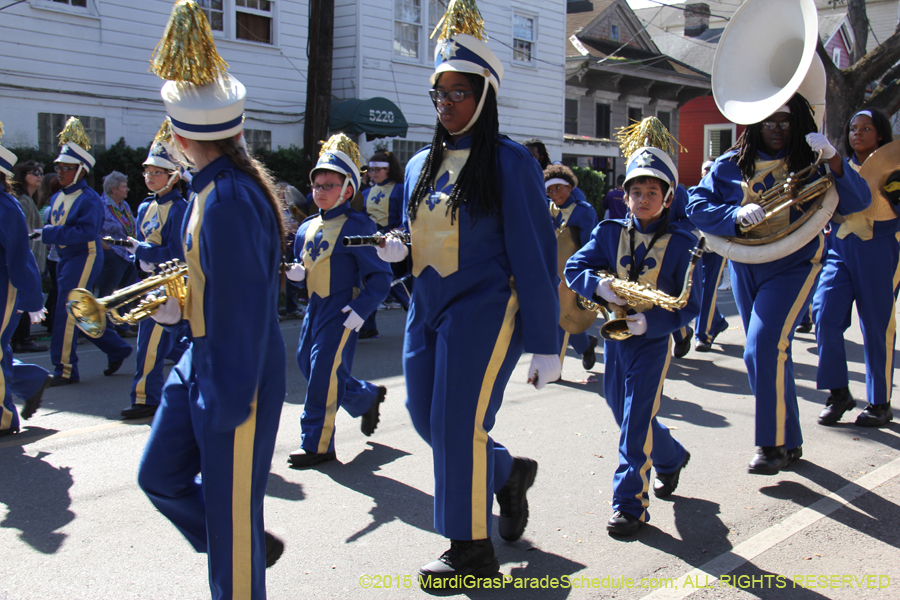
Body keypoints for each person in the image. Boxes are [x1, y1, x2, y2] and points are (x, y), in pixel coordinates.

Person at [376, 1, 560, 585]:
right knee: (426, 419)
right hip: (426, 311)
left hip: (486, 312)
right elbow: (423, 237)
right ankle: (505, 473)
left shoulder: (509, 163)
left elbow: (534, 255)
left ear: (484, 93)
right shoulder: (418, 166)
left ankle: (469, 547)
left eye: (458, 92)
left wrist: (546, 342)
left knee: (457, 426)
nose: (446, 104)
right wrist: (400, 254)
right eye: (439, 94)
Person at [136, 3, 286, 597]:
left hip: (233, 375)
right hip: (201, 359)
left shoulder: (223, 201)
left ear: (177, 137)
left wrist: (227, 403)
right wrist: (180, 309)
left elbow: (246, 315)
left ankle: (239, 543)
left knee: (229, 521)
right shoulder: (209, 191)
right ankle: (242, 537)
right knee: (159, 477)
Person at [687, 95, 870, 474]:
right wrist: (732, 214)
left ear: (797, 124)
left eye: (784, 122)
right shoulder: (729, 164)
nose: (776, 129)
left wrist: (836, 161)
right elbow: (696, 204)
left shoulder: (813, 164)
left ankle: (770, 445)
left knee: (761, 347)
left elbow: (858, 202)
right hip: (746, 264)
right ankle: (790, 441)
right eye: (768, 122)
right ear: (755, 124)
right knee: (772, 353)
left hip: (793, 264)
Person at [566, 142, 700, 537]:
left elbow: (692, 304)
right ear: (624, 196)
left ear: (668, 197)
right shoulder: (609, 232)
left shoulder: (683, 243)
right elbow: (575, 267)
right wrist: (599, 285)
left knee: (635, 420)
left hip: (652, 341)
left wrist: (652, 324)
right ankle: (671, 457)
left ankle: (630, 505)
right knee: (623, 413)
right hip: (615, 337)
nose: (643, 200)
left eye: (652, 193)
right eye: (636, 192)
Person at [284, 134, 392, 469]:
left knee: (322, 375)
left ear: (348, 189)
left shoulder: (359, 225)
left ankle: (317, 443)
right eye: (316, 184)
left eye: (329, 185)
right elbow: (304, 261)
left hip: (342, 309)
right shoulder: (306, 226)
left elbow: (381, 277)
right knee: (307, 364)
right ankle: (364, 397)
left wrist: (361, 310)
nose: (319, 191)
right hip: (315, 308)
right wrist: (298, 273)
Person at [813, 107, 896, 427]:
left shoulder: (895, 167)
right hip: (839, 250)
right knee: (823, 314)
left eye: (866, 128)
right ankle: (838, 391)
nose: (857, 133)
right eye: (852, 128)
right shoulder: (837, 166)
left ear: (881, 134)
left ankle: (880, 401)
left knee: (876, 325)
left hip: (879, 249)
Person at [41, 118, 133, 386]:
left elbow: (84, 233)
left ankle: (65, 369)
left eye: (66, 168)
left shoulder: (89, 198)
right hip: (64, 258)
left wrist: (48, 234)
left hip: (85, 256)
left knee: (66, 309)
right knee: (79, 309)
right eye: (57, 167)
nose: (59, 172)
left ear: (80, 170)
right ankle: (116, 348)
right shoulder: (58, 196)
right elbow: (54, 226)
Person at [119, 122, 190, 420]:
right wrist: (139, 258)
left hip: (169, 283)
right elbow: (141, 245)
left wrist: (144, 253)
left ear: (173, 176)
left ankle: (146, 397)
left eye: (157, 172)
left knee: (150, 341)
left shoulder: (180, 208)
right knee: (159, 340)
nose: (149, 177)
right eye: (147, 172)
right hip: (148, 280)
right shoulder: (144, 207)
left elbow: (177, 254)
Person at [0, 129, 51, 436]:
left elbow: (20, 256)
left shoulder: (7, 207)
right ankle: (31, 380)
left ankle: (4, 418)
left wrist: (32, 300)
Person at [545, 162, 599, 370]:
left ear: (570, 187)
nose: (554, 193)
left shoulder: (583, 211)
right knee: (560, 316)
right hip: (550, 270)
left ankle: (554, 368)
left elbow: (589, 245)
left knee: (559, 317)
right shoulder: (547, 208)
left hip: (572, 272)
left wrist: (586, 273)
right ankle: (586, 345)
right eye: (549, 189)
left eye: (558, 187)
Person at [359, 150, 409, 338]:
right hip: (371, 241)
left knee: (391, 280)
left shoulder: (400, 189)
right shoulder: (365, 193)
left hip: (392, 241)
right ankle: (368, 326)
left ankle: (415, 311)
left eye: (379, 169)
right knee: (371, 281)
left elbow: (407, 216)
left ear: (389, 169)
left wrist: (395, 235)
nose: (374, 173)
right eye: (371, 170)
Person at [9, 160, 48, 352]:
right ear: (23, 176)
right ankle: (22, 340)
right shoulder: (23, 200)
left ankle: (20, 339)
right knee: (23, 299)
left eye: (41, 172)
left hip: (33, 257)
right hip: (28, 257)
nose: (39, 176)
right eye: (34, 172)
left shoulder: (30, 199)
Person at [96, 171, 138, 338]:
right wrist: (107, 249)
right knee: (108, 292)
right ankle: (105, 327)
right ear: (113, 189)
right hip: (112, 256)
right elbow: (95, 230)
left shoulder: (124, 206)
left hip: (128, 255)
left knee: (125, 292)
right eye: (124, 186)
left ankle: (122, 324)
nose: (127, 189)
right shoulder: (100, 206)